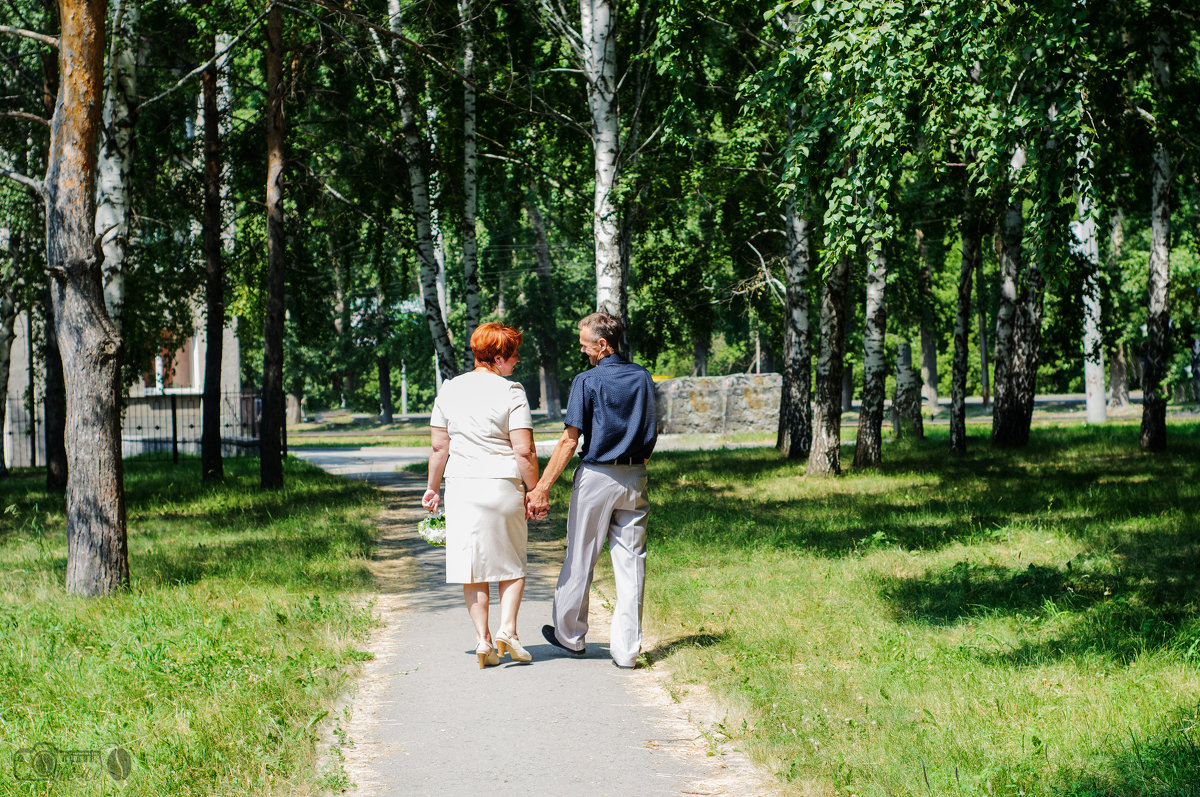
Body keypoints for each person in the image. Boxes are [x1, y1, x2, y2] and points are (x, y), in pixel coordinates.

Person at [525, 312, 657, 669]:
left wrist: (541, 488)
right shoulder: (643, 377)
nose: (581, 349)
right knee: (631, 564)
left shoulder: (587, 380)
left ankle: (570, 636)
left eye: (585, 343)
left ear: (602, 344)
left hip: (597, 476)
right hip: (635, 476)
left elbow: (569, 442)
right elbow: (650, 431)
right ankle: (627, 651)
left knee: (581, 555)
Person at [422, 323, 540, 669]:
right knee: (512, 563)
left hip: (462, 486)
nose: (517, 360)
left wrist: (432, 488)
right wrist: (535, 491)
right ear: (499, 358)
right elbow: (525, 452)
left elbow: (439, 447)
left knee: (471, 565)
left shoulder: (449, 390)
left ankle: (483, 640)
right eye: (514, 354)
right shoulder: (512, 391)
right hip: (502, 484)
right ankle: (509, 631)